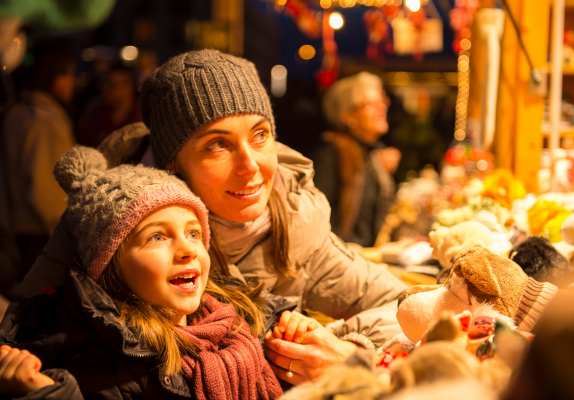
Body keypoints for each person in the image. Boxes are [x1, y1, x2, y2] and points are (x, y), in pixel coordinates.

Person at [10, 49, 408, 385]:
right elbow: (22, 336)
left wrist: (347, 350)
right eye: (218, 145)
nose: (250, 166)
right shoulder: (103, 220)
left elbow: (407, 306)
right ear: (172, 165)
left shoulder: (294, 223)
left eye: (260, 134)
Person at [0, 145, 282, 399]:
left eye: (193, 233)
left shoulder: (238, 316)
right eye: (157, 237)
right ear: (112, 265)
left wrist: (294, 327)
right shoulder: (101, 367)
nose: (188, 250)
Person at [0, 39, 76, 278]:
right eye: (70, 74)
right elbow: (44, 186)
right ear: (55, 78)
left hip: (17, 229)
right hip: (42, 234)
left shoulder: (17, 112)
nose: (73, 82)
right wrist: (68, 232)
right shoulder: (43, 119)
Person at [312, 72, 401, 247]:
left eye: (381, 101)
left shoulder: (370, 154)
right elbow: (315, 219)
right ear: (347, 115)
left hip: (367, 258)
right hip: (343, 261)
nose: (381, 108)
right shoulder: (332, 153)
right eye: (369, 104)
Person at [77, 65, 142, 148]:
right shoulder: (96, 115)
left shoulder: (142, 119)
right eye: (105, 83)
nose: (106, 89)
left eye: (112, 85)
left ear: (128, 88)